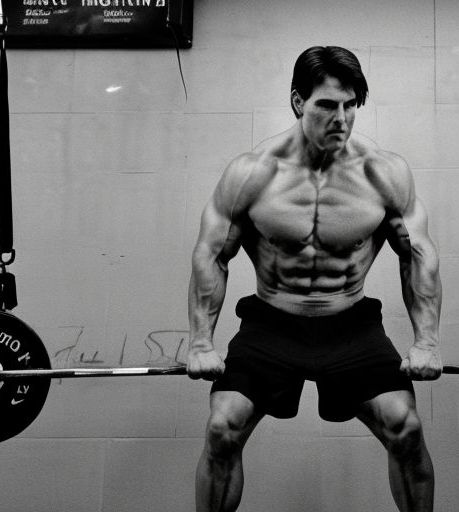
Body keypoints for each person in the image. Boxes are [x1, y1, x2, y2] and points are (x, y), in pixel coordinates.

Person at [186, 46, 443, 512]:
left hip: (351, 325)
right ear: (298, 101)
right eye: (327, 105)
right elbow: (211, 254)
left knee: (406, 428)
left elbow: (418, 254)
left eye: (351, 105)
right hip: (272, 324)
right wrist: (201, 341)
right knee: (222, 429)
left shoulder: (382, 173)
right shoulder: (253, 173)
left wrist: (427, 339)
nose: (341, 118)